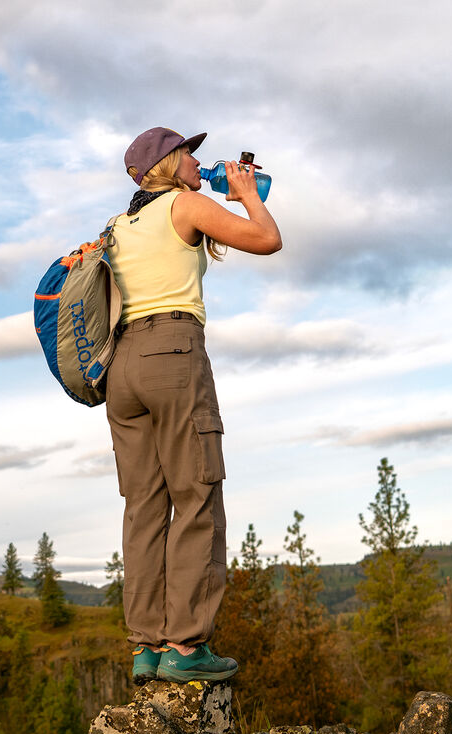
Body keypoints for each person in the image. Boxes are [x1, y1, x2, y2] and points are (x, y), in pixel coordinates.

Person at [105, 127, 282, 684]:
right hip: (173, 353)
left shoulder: (117, 226)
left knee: (144, 506)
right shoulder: (186, 205)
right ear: (169, 164)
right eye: (189, 152)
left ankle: (146, 647)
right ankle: (185, 647)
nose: (198, 160)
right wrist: (247, 191)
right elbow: (266, 239)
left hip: (120, 369)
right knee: (197, 492)